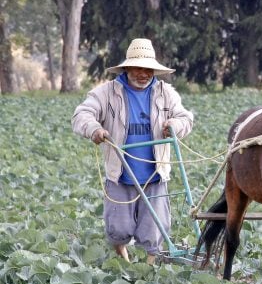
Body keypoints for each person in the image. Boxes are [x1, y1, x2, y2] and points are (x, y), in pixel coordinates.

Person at [72, 38, 194, 264]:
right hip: (121, 173)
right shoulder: (107, 93)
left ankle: (149, 268)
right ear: (127, 67)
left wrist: (174, 126)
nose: (143, 74)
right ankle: (125, 263)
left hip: (154, 174)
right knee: (118, 228)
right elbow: (81, 115)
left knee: (154, 228)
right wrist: (95, 129)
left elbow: (185, 117)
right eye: (138, 68)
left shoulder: (165, 92)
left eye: (148, 69)